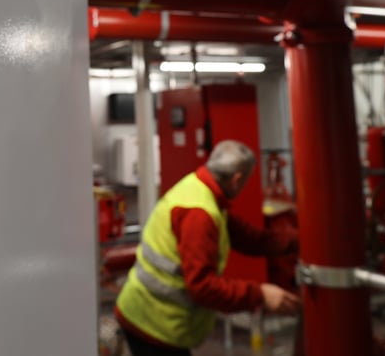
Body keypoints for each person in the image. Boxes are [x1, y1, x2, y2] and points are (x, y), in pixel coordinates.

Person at [115, 140, 300, 356]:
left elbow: (251, 238)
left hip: (156, 318)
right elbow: (202, 287)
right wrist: (260, 295)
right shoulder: (199, 213)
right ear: (236, 179)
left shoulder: (200, 189)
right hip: (151, 323)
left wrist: (301, 241)